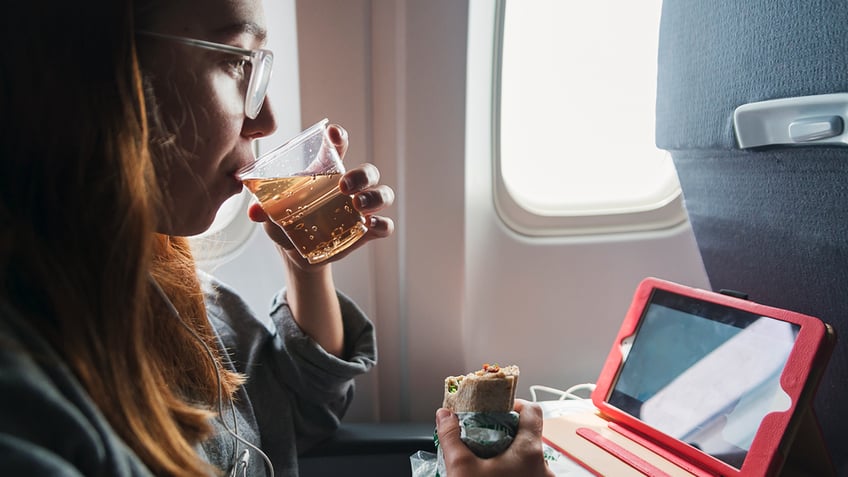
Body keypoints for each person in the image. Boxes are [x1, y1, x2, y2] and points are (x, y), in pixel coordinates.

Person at [0, 0, 552, 476]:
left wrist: (307, 268)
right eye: (237, 61)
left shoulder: (168, 280)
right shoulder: (27, 413)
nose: (266, 118)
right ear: (98, 71)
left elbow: (298, 410)